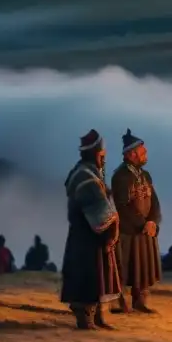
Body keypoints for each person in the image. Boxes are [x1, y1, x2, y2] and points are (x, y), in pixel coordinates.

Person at [60, 129, 123, 330]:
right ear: (96, 153)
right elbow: (99, 211)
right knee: (87, 277)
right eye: (102, 155)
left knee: (99, 277)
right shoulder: (85, 177)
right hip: (88, 237)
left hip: (91, 237)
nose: (103, 160)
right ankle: (85, 318)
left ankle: (97, 316)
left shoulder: (89, 173)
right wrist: (110, 229)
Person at [111, 129, 163, 314]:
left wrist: (153, 221)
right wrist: (142, 223)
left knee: (143, 268)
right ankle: (120, 303)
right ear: (131, 154)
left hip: (145, 230)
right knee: (125, 267)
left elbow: (154, 201)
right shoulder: (121, 176)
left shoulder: (145, 175)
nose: (145, 154)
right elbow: (123, 206)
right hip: (129, 230)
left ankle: (140, 300)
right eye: (143, 151)